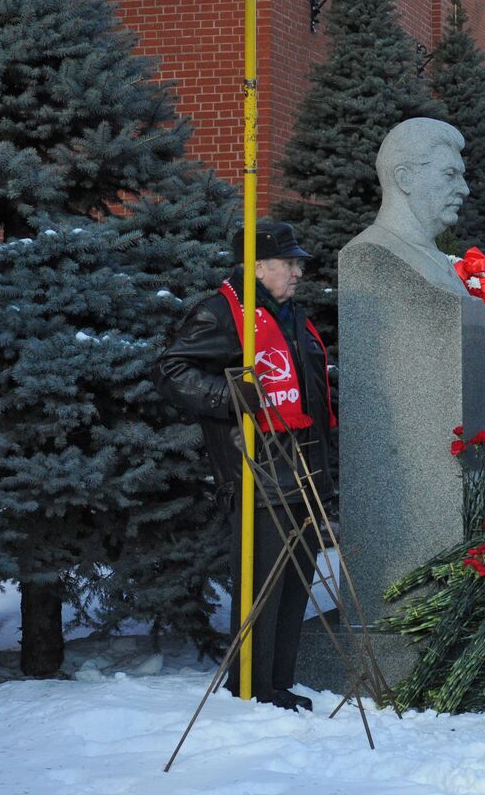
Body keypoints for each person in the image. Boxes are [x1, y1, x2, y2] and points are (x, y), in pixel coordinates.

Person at [155, 221, 335, 712]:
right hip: (257, 471)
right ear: (257, 267)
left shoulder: (290, 314)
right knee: (262, 588)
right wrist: (230, 395)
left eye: (298, 263)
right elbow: (171, 371)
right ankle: (252, 690)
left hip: (303, 468)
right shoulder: (220, 313)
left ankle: (278, 683)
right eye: (289, 263)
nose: (298, 272)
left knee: (295, 585)